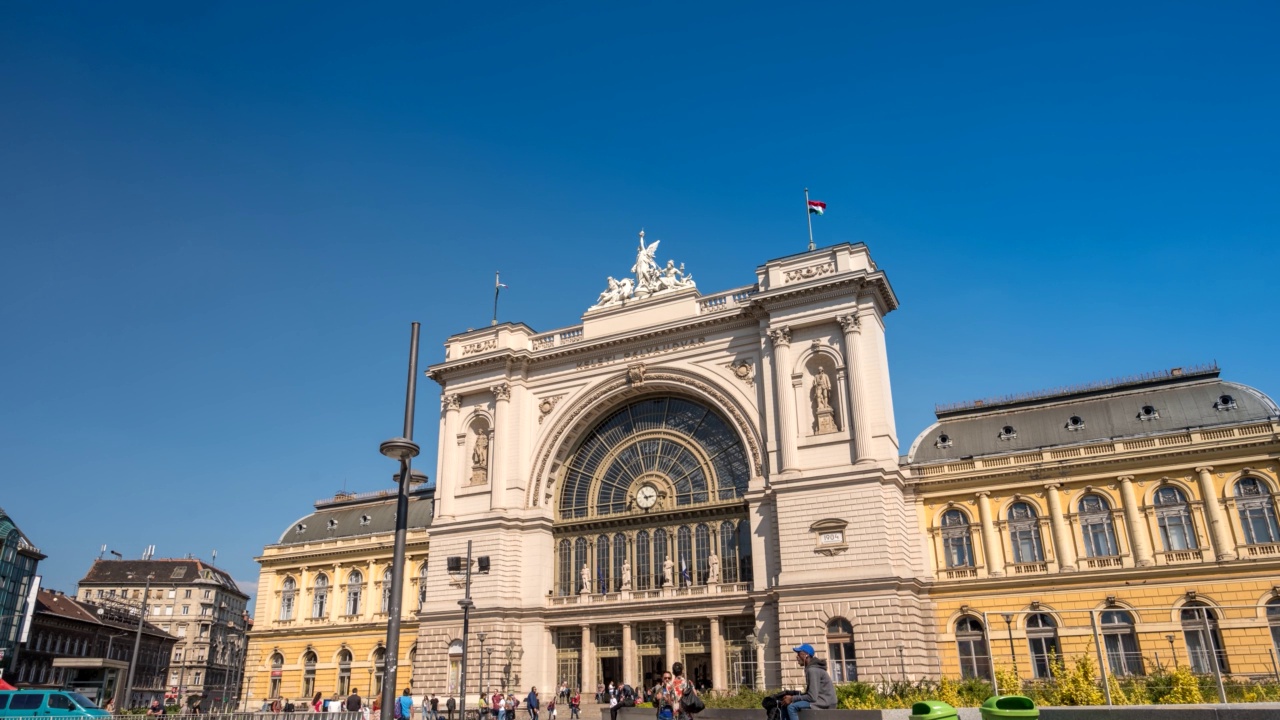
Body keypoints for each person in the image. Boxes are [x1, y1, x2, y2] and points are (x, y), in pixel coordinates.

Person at [779, 644, 834, 720]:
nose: (797, 656)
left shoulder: (812, 670)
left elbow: (812, 697)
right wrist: (792, 697)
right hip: (821, 700)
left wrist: (792, 698)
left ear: (806, 655)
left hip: (824, 702)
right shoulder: (811, 669)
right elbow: (811, 694)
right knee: (785, 704)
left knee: (791, 707)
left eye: (799, 654)